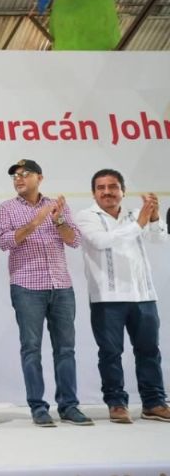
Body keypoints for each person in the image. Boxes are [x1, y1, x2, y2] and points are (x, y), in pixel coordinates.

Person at [0, 159, 92, 427]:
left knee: (65, 349)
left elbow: (74, 241)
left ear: (40, 177)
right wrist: (34, 223)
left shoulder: (57, 206)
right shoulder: (6, 209)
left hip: (61, 286)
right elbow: (3, 242)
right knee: (31, 349)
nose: (18, 179)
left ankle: (69, 406)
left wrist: (58, 218)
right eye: (15, 175)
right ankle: (38, 407)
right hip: (27, 287)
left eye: (25, 174)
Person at [75, 169, 170, 424]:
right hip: (108, 297)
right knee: (110, 353)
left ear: (122, 191)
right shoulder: (86, 217)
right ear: (94, 192)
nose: (107, 192)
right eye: (101, 187)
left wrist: (154, 217)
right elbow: (102, 241)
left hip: (144, 294)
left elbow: (159, 238)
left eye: (113, 187)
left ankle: (154, 403)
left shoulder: (132, 214)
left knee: (149, 350)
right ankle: (116, 403)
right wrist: (139, 222)